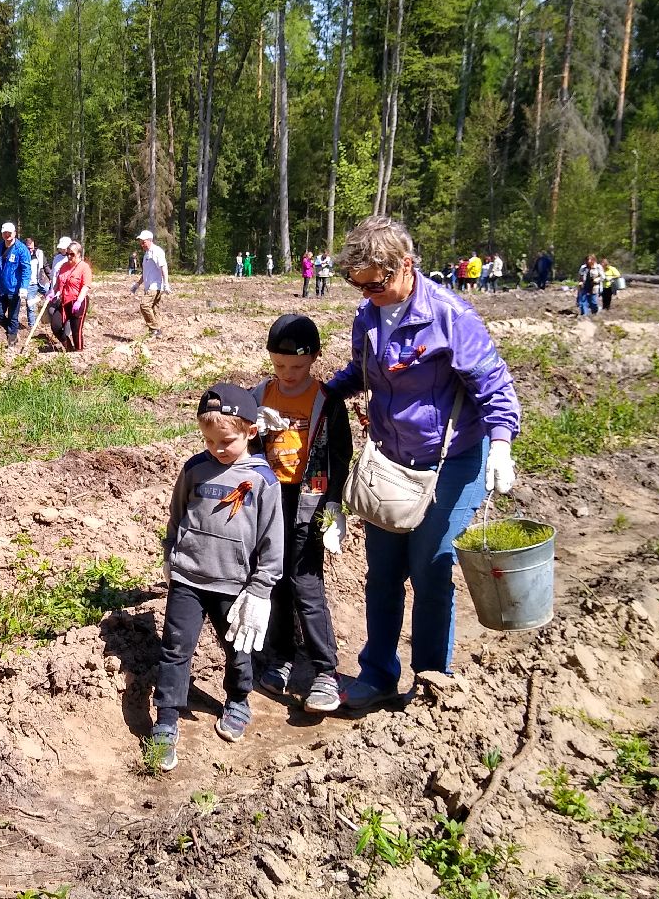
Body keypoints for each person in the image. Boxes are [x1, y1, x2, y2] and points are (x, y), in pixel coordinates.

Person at [324, 216, 521, 712]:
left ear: (405, 266)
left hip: (450, 462)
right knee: (383, 573)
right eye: (357, 284)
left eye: (376, 283)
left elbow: (492, 383)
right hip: (391, 462)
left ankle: (433, 678)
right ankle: (378, 674)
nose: (367, 293)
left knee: (431, 570)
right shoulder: (368, 316)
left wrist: (501, 442)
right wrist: (314, 395)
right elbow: (362, 373)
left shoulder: (450, 316)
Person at [151, 383, 283, 771]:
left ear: (250, 432)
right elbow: (178, 514)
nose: (216, 449)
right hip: (189, 578)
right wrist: (170, 552)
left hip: (235, 584)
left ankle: (239, 698)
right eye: (208, 440)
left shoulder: (262, 480)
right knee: (176, 648)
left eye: (225, 441)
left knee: (238, 649)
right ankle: (167, 720)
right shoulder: (195, 468)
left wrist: (261, 587)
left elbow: (272, 540)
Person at [251, 314, 353, 713]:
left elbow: (339, 454)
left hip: (309, 500)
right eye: (279, 366)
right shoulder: (260, 394)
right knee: (272, 578)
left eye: (296, 367)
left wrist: (334, 505)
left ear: (314, 359)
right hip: (270, 499)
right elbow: (235, 441)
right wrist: (253, 429)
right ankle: (280, 657)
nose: (287, 374)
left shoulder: (326, 402)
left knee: (305, 580)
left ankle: (325, 670)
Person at [0, 222, 32, 346]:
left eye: (9, 233)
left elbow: (26, 269)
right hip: (0, 288)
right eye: (5, 233)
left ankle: (12, 343)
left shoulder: (21, 249)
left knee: (13, 317)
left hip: (14, 289)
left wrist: (24, 287)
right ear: (2, 234)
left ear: (14, 233)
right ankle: (11, 331)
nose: (7, 235)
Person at [49, 240, 92, 351]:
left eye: (72, 254)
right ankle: (68, 347)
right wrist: (53, 291)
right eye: (67, 253)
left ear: (78, 254)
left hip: (78, 301)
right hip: (64, 301)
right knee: (56, 326)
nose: (69, 256)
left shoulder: (84, 267)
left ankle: (79, 352)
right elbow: (59, 283)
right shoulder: (64, 266)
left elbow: (86, 286)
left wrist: (79, 301)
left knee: (76, 330)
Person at [133, 229, 170, 338]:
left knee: (144, 305)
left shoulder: (157, 251)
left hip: (155, 286)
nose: (142, 244)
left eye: (143, 242)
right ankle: (157, 334)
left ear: (150, 240)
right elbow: (145, 273)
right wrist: (137, 284)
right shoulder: (146, 254)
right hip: (148, 286)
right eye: (141, 242)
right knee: (153, 309)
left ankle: (155, 329)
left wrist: (166, 284)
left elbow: (164, 267)